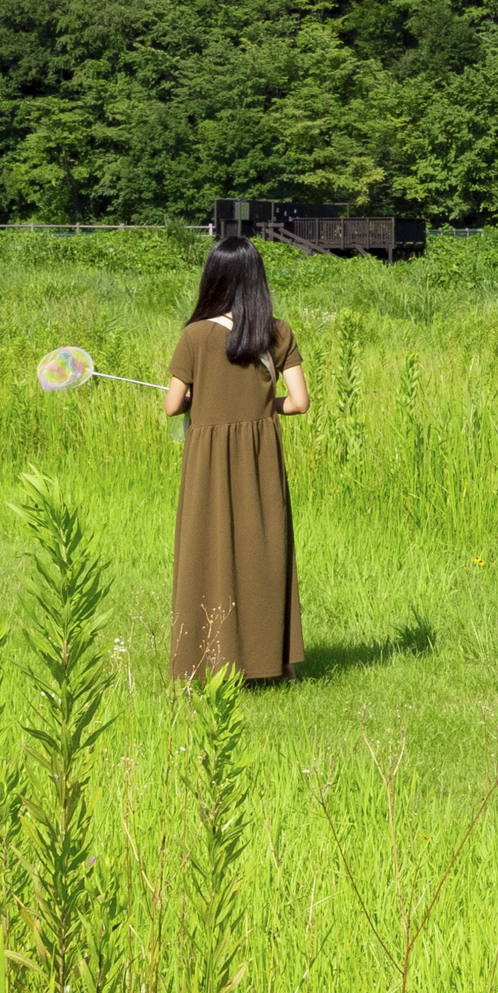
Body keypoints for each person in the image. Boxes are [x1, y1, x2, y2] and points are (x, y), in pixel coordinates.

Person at [164, 236, 310, 682]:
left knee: (206, 552)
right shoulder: (278, 332)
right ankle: (270, 662)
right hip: (261, 455)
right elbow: (300, 403)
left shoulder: (194, 335)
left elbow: (172, 407)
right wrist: (261, 409)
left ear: (214, 278)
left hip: (208, 459)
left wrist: (198, 399)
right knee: (262, 551)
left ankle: (205, 661)